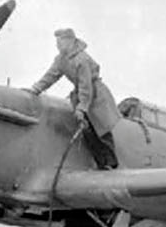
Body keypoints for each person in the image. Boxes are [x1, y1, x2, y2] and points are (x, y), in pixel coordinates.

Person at [28, 28, 120, 169]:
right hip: (82, 93)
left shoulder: (81, 59)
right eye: (57, 42)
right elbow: (51, 76)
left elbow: (86, 85)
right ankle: (101, 163)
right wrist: (36, 89)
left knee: (101, 129)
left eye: (60, 41)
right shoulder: (60, 59)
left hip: (96, 95)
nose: (57, 45)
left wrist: (82, 108)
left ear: (70, 41)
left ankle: (111, 163)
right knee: (86, 129)